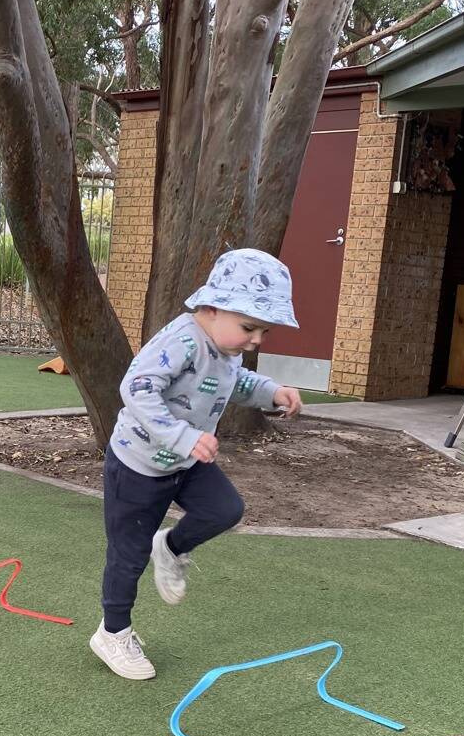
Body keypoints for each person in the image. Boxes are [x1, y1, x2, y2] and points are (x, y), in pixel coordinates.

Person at [89, 248, 304, 680]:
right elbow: (138, 388)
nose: (256, 339)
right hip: (139, 465)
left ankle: (171, 547)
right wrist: (183, 436)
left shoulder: (226, 350)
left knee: (226, 509)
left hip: (185, 463)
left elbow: (236, 382)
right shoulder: (182, 340)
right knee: (127, 556)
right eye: (249, 327)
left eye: (263, 330)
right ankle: (112, 633)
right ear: (210, 307)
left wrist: (272, 391)